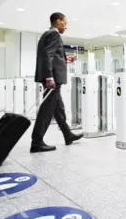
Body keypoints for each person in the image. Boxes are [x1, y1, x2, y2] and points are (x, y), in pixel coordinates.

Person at [31, 12, 83, 153]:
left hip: (52, 76)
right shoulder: (53, 34)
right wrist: (49, 77)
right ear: (58, 21)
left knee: (58, 109)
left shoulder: (46, 34)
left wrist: (66, 60)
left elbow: (51, 55)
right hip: (52, 78)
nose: (66, 26)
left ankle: (68, 135)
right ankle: (37, 141)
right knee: (47, 109)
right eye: (65, 23)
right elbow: (47, 54)